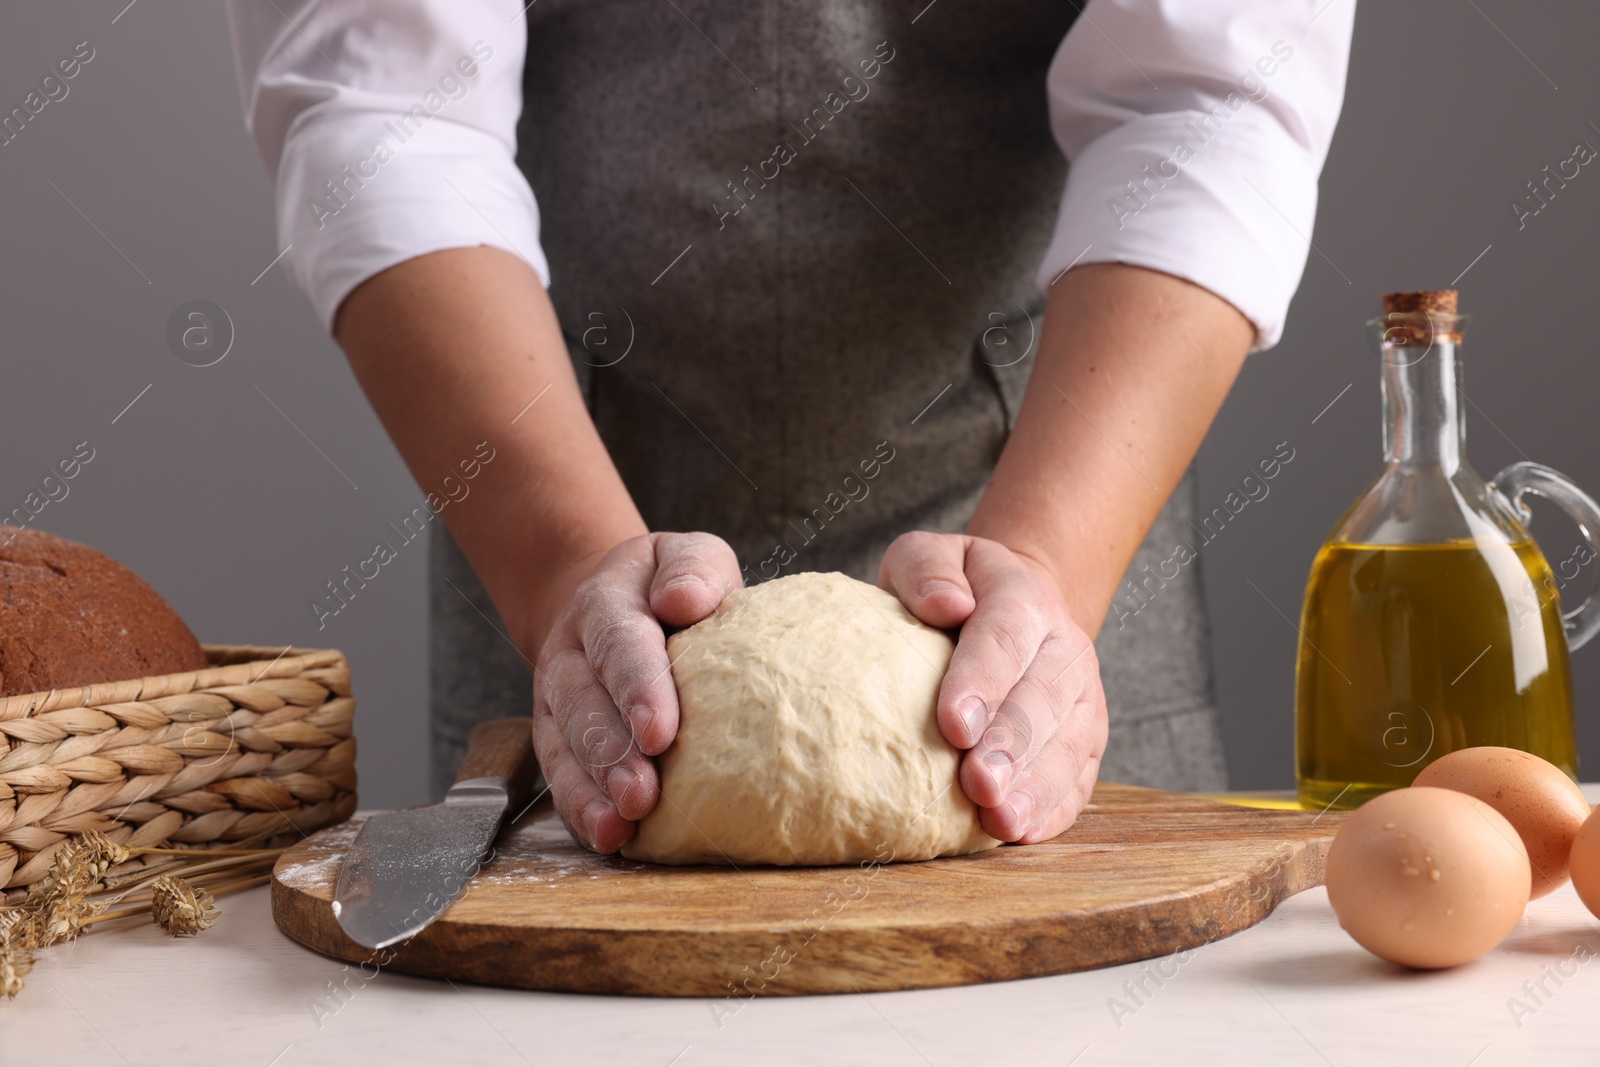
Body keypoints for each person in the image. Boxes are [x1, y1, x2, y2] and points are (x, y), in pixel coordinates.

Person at [226, 1, 1353, 853]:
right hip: (556, 523)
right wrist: (564, 565)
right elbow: (384, 104)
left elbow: (1213, 87)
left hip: (1051, 489)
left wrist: (1046, 561)